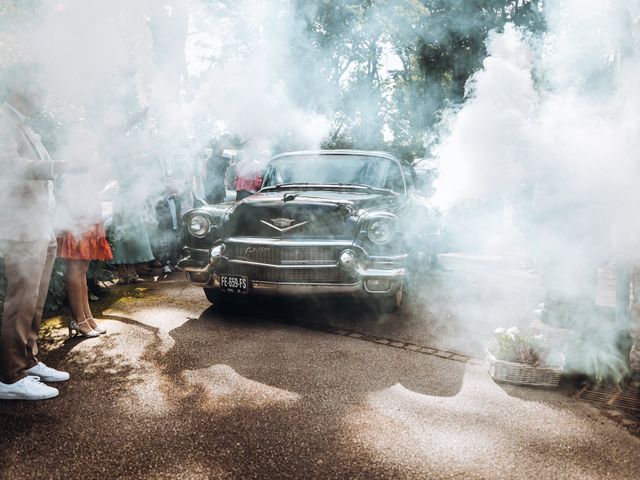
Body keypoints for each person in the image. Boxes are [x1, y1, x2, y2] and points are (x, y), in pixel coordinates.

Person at [0, 64, 78, 400]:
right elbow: (9, 166)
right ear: (19, 86)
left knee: (34, 299)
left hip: (38, 224)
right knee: (21, 300)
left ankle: (27, 360)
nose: (43, 92)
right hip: (20, 226)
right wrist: (61, 166)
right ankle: (10, 377)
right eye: (37, 85)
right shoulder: (4, 120)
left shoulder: (23, 124)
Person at [56, 149, 112, 338]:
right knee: (75, 272)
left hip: (88, 220)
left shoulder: (88, 171)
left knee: (82, 272)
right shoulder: (70, 173)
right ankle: (78, 320)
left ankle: (87, 317)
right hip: (74, 222)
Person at [155, 180, 182, 274]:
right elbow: (161, 217)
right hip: (165, 228)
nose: (174, 188)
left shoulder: (177, 199)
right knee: (165, 247)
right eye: (172, 187)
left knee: (174, 246)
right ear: (167, 189)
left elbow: (178, 215)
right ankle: (165, 265)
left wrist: (179, 226)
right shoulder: (160, 201)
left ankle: (174, 264)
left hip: (175, 226)